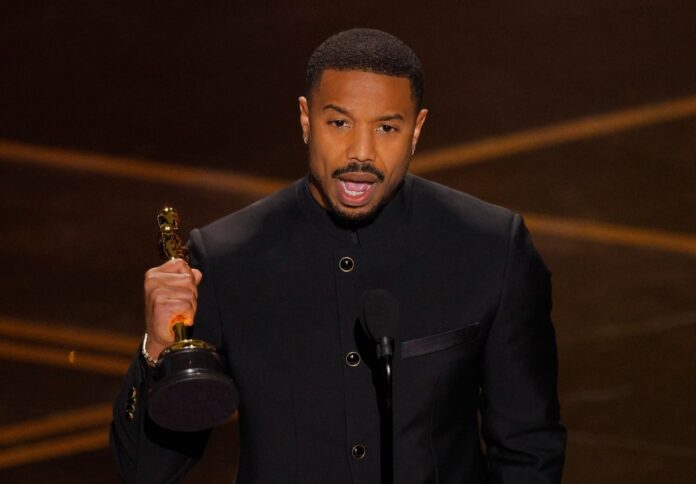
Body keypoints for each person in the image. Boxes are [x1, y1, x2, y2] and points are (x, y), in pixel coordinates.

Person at [110, 28, 566, 483]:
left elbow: (529, 449)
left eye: (386, 128)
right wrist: (158, 350)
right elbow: (145, 472)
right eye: (339, 123)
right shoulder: (227, 259)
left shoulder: (490, 247)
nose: (361, 153)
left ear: (417, 129)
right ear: (306, 120)